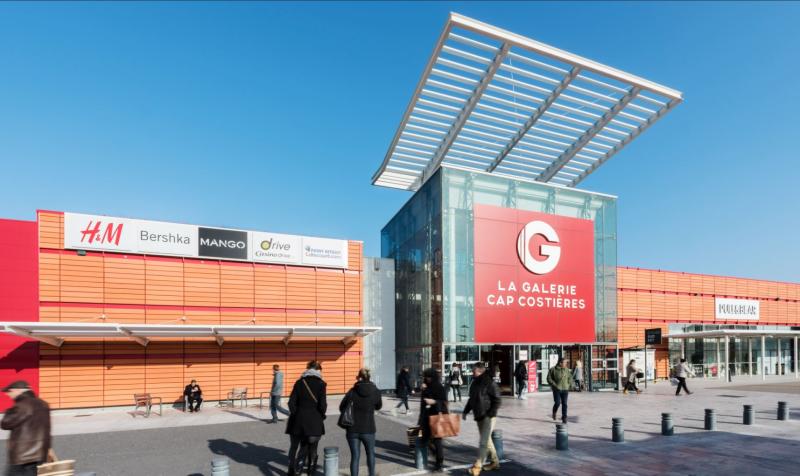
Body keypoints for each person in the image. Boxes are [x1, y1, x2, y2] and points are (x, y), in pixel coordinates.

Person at [1, 381, 51, 476]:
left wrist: (9, 411)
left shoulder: (21, 406)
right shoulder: (44, 404)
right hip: (39, 452)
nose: (8, 394)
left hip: (21, 455)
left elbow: (5, 423)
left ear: (18, 390)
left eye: (9, 391)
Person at [286, 360, 327, 476]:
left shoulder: (299, 383)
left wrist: (296, 414)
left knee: (294, 447)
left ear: (308, 369)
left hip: (297, 421)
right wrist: (321, 415)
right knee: (312, 448)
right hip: (314, 421)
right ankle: (310, 472)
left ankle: (292, 470)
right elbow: (323, 405)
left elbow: (291, 403)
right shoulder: (321, 384)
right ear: (318, 370)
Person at [462, 363, 501, 476]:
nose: (472, 373)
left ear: (480, 371)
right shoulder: (474, 383)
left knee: (483, 441)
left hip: (488, 416)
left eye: (474, 371)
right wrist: (465, 411)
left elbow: (497, 399)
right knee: (487, 440)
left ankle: (477, 467)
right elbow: (471, 399)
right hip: (479, 416)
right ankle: (495, 462)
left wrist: (490, 414)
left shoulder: (489, 382)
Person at [341, 368, 382, 476]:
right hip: (368, 428)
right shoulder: (376, 391)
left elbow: (342, 407)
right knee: (371, 455)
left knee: (355, 456)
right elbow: (379, 406)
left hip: (352, 429)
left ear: (359, 377)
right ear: (369, 377)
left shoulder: (352, 391)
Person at [418, 368, 447, 472]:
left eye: (429, 377)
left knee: (437, 440)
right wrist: (423, 389)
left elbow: (443, 402)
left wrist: (434, 401)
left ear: (433, 377)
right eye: (425, 377)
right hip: (426, 416)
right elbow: (423, 403)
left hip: (437, 417)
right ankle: (436, 454)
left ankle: (439, 463)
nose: (427, 379)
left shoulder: (439, 387)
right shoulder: (425, 386)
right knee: (424, 438)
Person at [546, 358, 571, 424]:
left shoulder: (566, 370)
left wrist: (569, 384)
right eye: (565, 362)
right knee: (557, 402)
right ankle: (554, 412)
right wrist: (554, 385)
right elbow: (548, 378)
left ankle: (564, 417)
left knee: (564, 404)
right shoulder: (553, 369)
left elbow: (570, 377)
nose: (566, 364)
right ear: (560, 363)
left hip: (565, 389)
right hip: (557, 389)